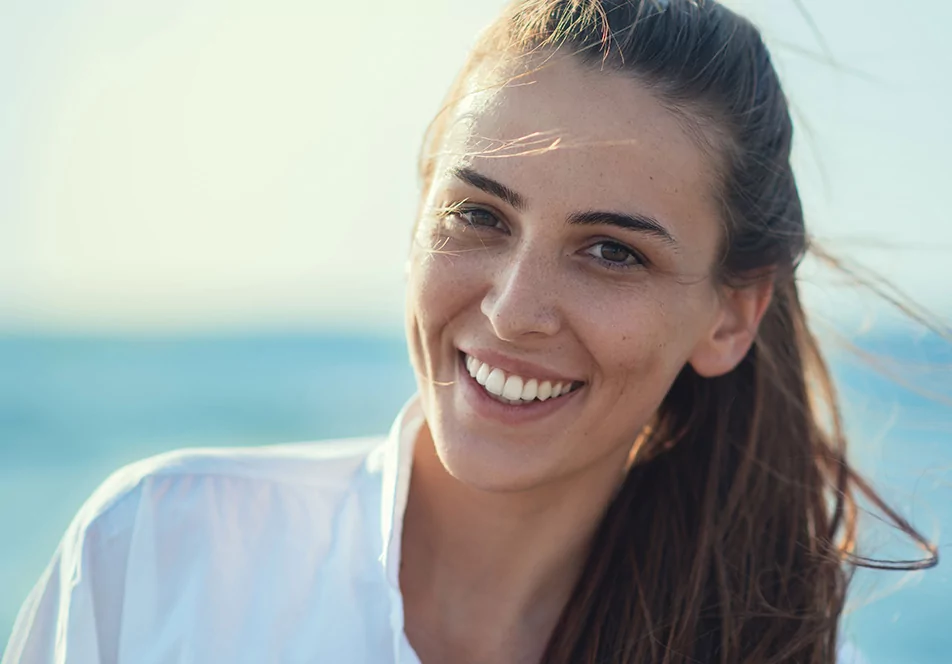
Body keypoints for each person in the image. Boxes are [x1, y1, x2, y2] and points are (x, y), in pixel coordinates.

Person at [3, 0, 936, 662]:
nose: (510, 311)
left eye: (612, 252)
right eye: (479, 216)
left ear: (732, 316)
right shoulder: (162, 557)